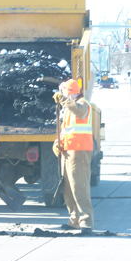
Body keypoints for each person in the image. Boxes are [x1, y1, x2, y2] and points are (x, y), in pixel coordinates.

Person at [52, 79, 94, 234]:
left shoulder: (83, 104)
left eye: (63, 92)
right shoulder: (68, 109)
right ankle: (74, 219)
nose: (61, 95)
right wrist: (58, 142)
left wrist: (63, 100)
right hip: (68, 151)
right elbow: (67, 130)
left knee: (80, 186)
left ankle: (86, 222)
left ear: (69, 92)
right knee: (68, 188)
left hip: (80, 151)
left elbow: (79, 111)